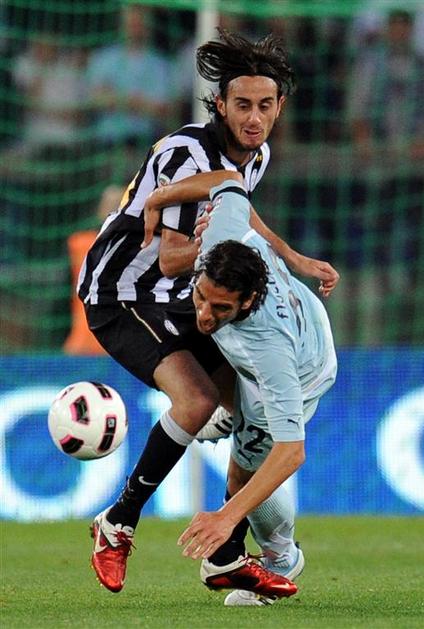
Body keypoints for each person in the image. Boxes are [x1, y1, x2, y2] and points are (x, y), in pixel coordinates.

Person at [78, 28, 339, 596]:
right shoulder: (187, 155)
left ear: (280, 106)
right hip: (125, 292)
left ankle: (224, 556)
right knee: (196, 400)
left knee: (250, 418)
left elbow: (236, 208)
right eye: (242, 105)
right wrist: (215, 217)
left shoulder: (256, 155)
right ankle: (118, 522)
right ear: (220, 104)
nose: (254, 118)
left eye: (264, 105)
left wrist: (292, 258)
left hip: (183, 293)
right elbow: (172, 258)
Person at [178, 178, 337, 606]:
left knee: (241, 475)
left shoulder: (270, 350)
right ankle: (233, 412)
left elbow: (292, 451)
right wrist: (295, 257)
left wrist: (225, 518)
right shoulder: (220, 239)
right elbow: (230, 187)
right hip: (298, 319)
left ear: (247, 301)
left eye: (221, 307)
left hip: (304, 370)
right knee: (178, 328)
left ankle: (282, 558)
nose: (205, 313)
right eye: (202, 296)